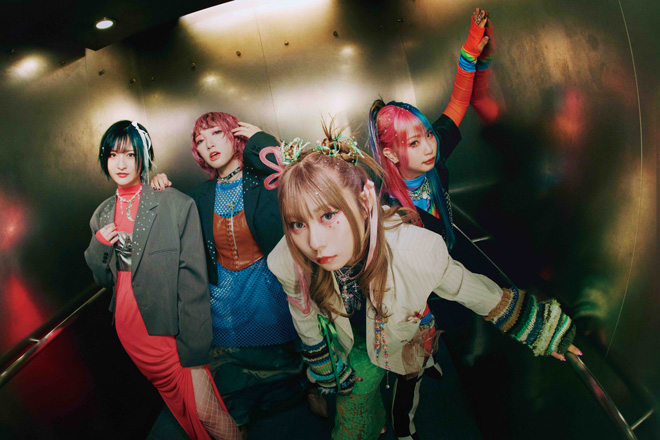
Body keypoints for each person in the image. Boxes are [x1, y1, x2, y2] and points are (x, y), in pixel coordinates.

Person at [266, 131, 581, 440]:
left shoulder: (417, 250)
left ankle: (404, 429)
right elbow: (303, 311)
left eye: (328, 215)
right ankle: (373, 422)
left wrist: (540, 328)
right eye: (298, 224)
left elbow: (469, 288)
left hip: (404, 337)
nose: (315, 243)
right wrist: (323, 362)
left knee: (407, 391)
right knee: (353, 418)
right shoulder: (289, 258)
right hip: (352, 346)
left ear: (364, 202)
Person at [151, 112, 327, 438]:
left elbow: (290, 173)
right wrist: (158, 191)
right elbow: (169, 229)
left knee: (295, 352)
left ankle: (312, 388)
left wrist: (261, 141)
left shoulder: (264, 180)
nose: (209, 144)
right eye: (200, 140)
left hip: (268, 287)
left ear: (235, 135)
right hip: (224, 298)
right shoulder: (198, 196)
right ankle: (239, 411)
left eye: (217, 133)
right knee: (229, 373)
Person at [367, 9, 496, 438]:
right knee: (410, 370)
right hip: (412, 292)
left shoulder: (432, 158)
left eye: (427, 135)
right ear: (389, 154)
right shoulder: (387, 207)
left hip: (444, 271)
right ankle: (403, 427)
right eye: (415, 141)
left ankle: (433, 357)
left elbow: (457, 104)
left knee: (433, 338)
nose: (429, 147)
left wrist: (468, 51)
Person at [84, 120, 240, 440]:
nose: (121, 163)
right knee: (181, 407)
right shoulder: (102, 214)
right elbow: (104, 280)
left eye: (130, 154)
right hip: (131, 331)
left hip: (171, 331)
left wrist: (194, 346)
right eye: (113, 155)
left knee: (206, 411)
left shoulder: (173, 203)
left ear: (144, 157)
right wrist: (99, 246)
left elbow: (193, 282)